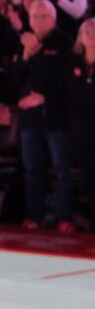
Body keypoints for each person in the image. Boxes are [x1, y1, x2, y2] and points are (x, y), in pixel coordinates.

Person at [13, 0, 74, 232]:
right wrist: (25, 57)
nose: (38, 20)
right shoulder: (23, 42)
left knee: (61, 168)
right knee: (32, 167)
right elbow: (13, 80)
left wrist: (37, 53)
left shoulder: (64, 42)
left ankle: (64, 218)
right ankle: (35, 216)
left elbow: (62, 81)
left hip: (56, 116)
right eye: (34, 16)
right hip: (30, 118)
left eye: (43, 16)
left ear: (54, 18)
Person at [67, 18, 95, 232]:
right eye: (86, 30)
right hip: (81, 132)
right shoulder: (74, 63)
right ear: (80, 37)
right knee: (88, 179)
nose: (91, 34)